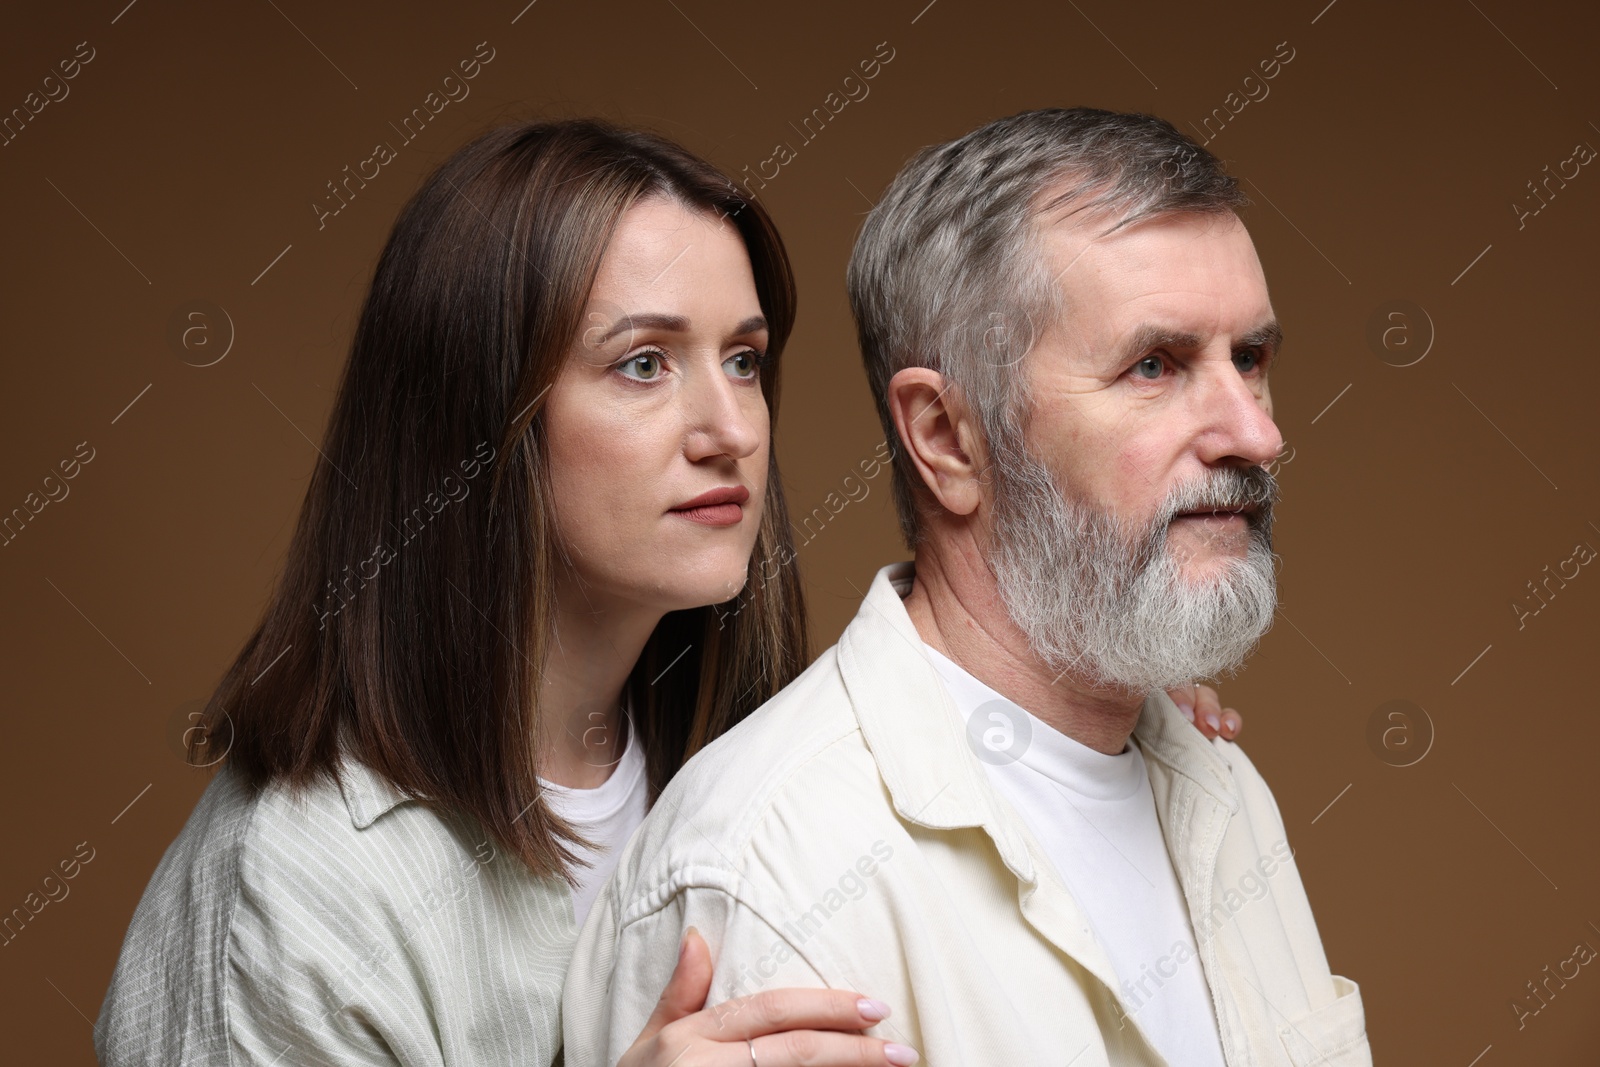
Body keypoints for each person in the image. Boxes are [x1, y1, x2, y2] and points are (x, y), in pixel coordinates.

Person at [94, 116, 1243, 1067]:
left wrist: (1091, 703)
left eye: (742, 359)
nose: (730, 429)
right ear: (475, 421)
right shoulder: (300, 886)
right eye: (642, 363)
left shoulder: (744, 766)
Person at [563, 108, 1372, 1067]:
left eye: (1250, 359)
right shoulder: (768, 873)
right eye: (1155, 366)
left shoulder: (1224, 789)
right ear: (947, 438)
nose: (1256, 434)